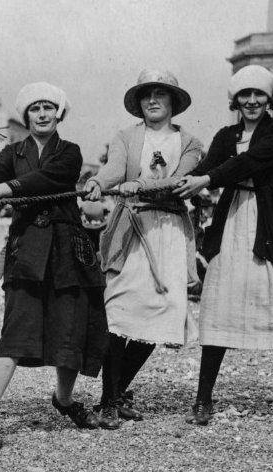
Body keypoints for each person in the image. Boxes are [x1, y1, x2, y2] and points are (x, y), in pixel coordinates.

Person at [0, 82, 106, 449]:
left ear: (59, 113)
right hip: (27, 250)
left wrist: (4, 190)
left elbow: (48, 179)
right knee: (16, 331)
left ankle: (63, 401)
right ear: (26, 115)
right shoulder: (12, 152)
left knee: (69, 330)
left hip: (66, 252)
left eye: (49, 108)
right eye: (35, 109)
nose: (42, 114)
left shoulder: (70, 152)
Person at [175, 64, 273, 425]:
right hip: (232, 222)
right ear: (235, 100)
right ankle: (202, 398)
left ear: (269, 97)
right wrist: (185, 182)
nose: (251, 100)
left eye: (258, 94)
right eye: (244, 94)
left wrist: (207, 179)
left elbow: (249, 162)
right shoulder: (225, 134)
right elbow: (208, 168)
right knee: (219, 302)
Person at [82, 70, 203, 428]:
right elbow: (114, 170)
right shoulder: (126, 136)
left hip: (169, 231)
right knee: (120, 310)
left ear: (173, 102)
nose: (152, 100)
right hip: (131, 229)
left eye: (160, 94)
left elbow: (180, 182)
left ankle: (118, 392)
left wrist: (141, 184)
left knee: (164, 311)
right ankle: (107, 401)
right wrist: (96, 182)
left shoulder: (191, 143)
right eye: (146, 94)